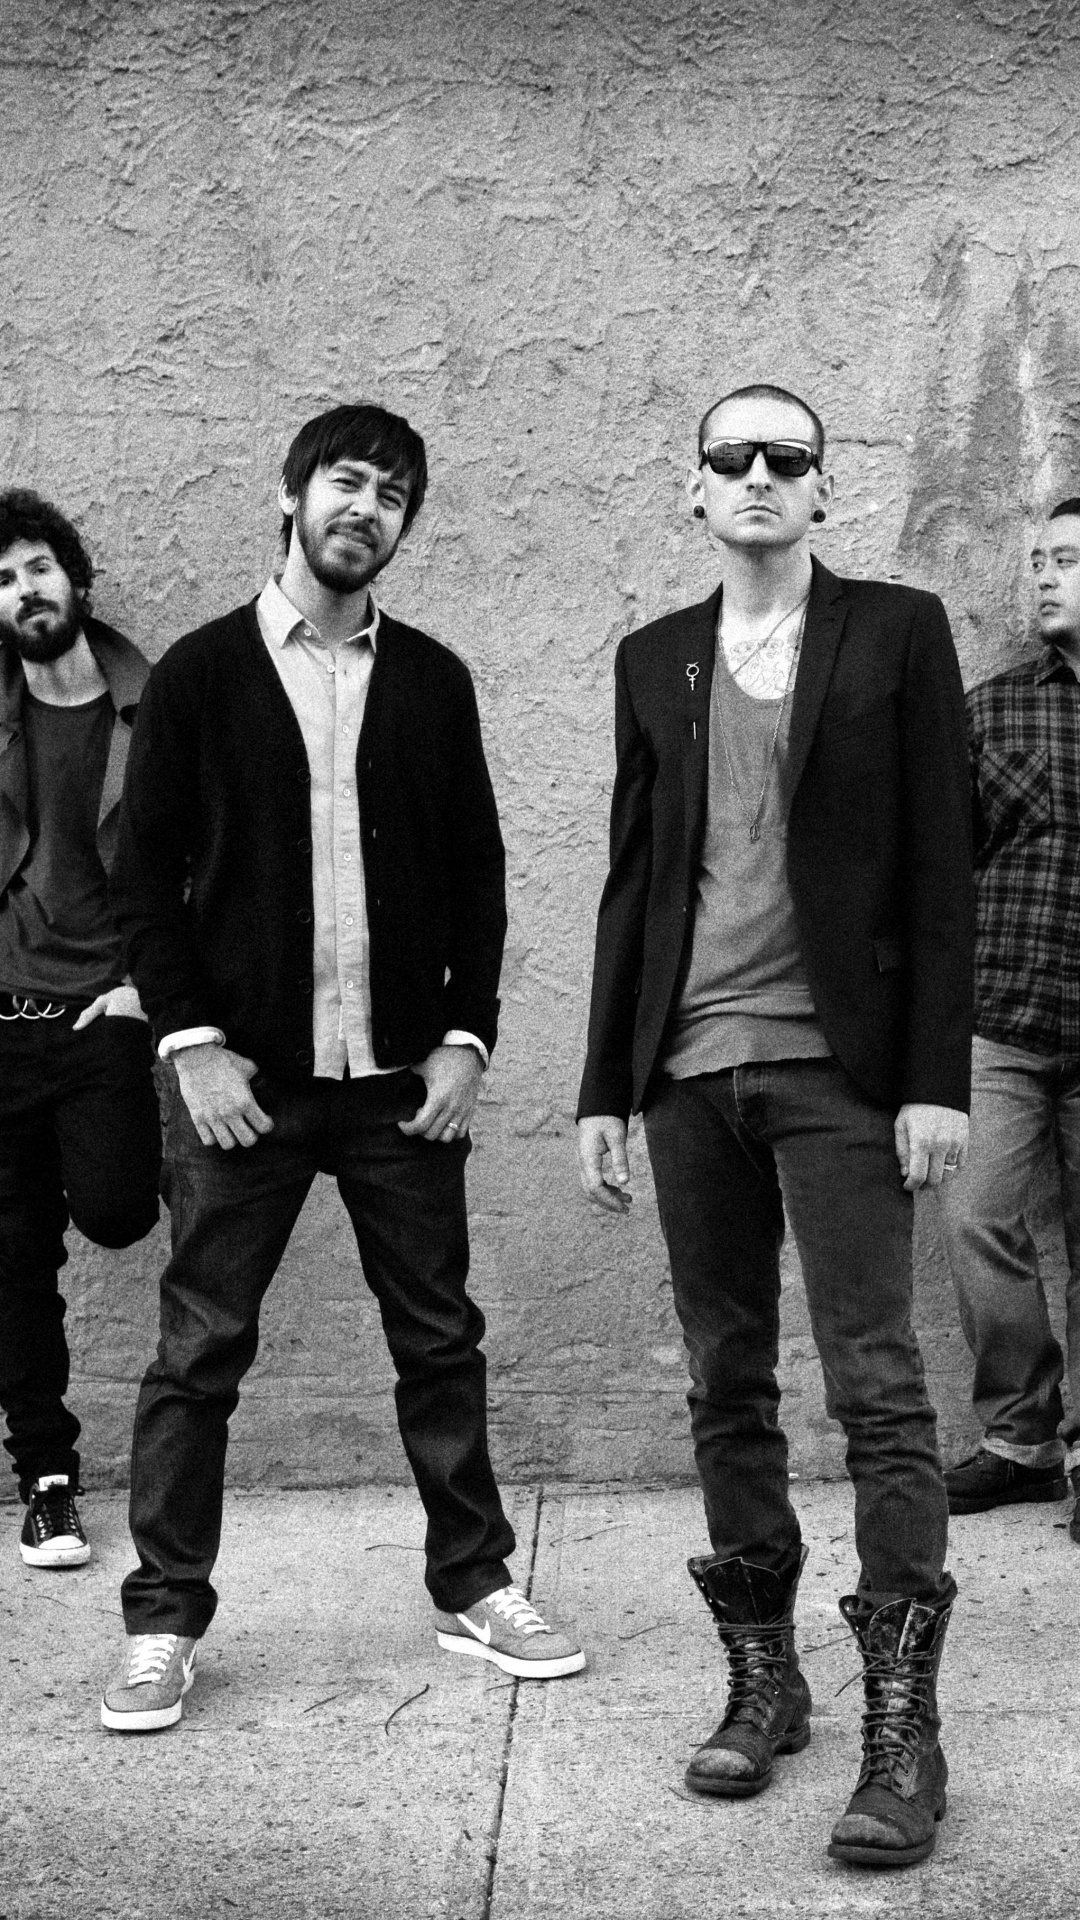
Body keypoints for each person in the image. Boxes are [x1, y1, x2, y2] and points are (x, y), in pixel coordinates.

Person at [101, 403, 583, 1733]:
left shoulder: (432, 680)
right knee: (200, 1351)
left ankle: (474, 1586)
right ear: (292, 493)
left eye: (393, 495)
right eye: (347, 482)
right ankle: (162, 1619)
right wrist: (192, 1046)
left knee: (439, 1339)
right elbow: (143, 880)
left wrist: (468, 1041)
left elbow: (478, 873)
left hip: (397, 1088)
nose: (366, 508)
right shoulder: (200, 673)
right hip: (243, 1086)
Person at [576, 385, 974, 1868]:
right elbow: (634, 877)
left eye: (785, 458)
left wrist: (937, 1077)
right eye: (731, 457)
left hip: (841, 1070)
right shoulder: (656, 658)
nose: (758, 475)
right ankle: (766, 1681)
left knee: (879, 1388)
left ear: (823, 491)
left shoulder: (897, 632)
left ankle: (903, 1728)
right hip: (690, 1072)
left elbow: (940, 860)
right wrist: (604, 1085)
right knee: (725, 1381)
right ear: (693, 490)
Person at [0, 490, 161, 1570]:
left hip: (105, 1012)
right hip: (3, 1019)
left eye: (38, 567)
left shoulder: (155, 705)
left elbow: (207, 859)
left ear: (77, 579)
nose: (25, 591)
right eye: (3, 580)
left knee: (113, 1211)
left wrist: (151, 990)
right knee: (13, 1257)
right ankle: (47, 1480)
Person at [938, 496, 1080, 1545]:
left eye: (1066, 560)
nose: (1042, 577)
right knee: (976, 1218)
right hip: (998, 1020)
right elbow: (940, 865)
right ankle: (1023, 1441)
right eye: (1038, 560)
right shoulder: (992, 710)